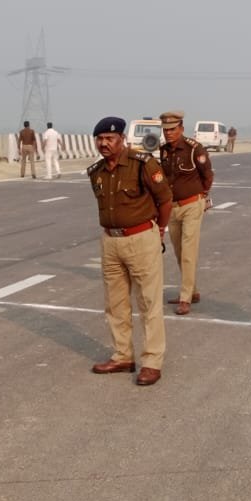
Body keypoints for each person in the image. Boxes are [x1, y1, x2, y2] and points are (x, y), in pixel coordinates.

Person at [87, 115, 173, 386]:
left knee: (148, 303)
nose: (104, 143)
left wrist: (159, 231)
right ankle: (122, 355)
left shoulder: (142, 164)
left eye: (109, 139)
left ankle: (152, 362)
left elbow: (165, 200)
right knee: (115, 304)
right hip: (110, 242)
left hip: (141, 239)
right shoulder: (97, 171)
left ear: (122, 139)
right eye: (100, 139)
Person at [157, 110, 214, 315]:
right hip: (172, 208)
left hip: (191, 205)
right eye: (165, 130)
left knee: (189, 252)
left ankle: (185, 297)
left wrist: (202, 196)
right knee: (180, 251)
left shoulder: (194, 149)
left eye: (172, 129)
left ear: (181, 128)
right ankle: (193, 291)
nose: (169, 133)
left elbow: (207, 175)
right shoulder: (163, 151)